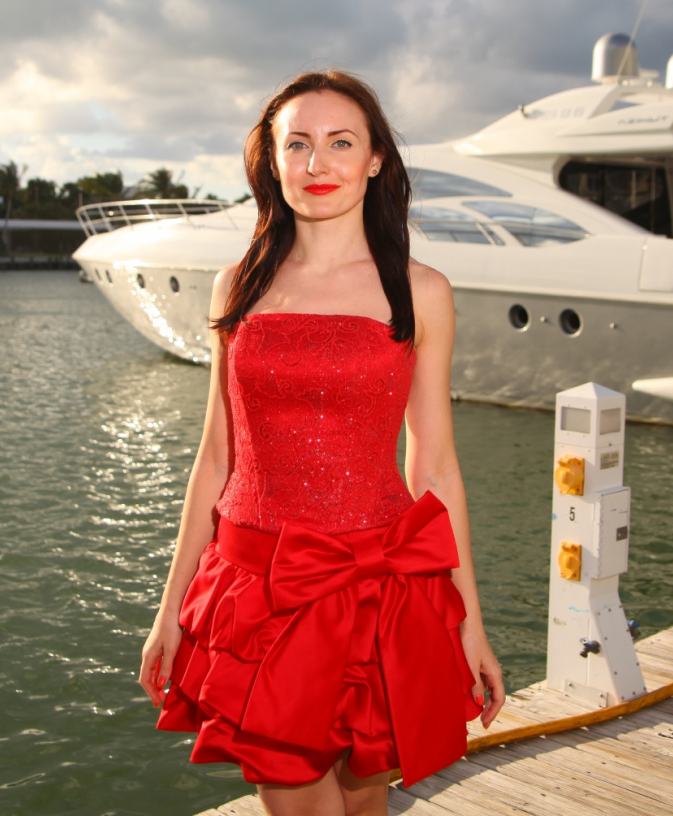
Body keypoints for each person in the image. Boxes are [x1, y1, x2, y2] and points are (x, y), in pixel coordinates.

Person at [139, 70, 504, 815]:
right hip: (258, 587)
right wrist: (169, 608)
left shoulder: (420, 290)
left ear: (375, 160)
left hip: (380, 591)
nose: (317, 164)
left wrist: (469, 626)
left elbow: (434, 465)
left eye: (341, 143)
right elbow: (217, 457)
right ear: (271, 161)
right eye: (297, 144)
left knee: (365, 801)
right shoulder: (236, 286)